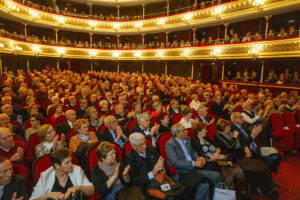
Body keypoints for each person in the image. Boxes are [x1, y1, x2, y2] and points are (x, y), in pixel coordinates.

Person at [214, 119, 278, 200]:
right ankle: (251, 194)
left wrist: (248, 142)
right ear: (223, 127)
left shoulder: (229, 133)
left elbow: (242, 142)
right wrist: (235, 137)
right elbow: (230, 146)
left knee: (260, 165)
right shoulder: (218, 136)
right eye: (228, 127)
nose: (230, 128)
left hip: (241, 155)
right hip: (233, 158)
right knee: (253, 168)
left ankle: (267, 189)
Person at [191, 122, 252, 200]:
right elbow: (200, 157)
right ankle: (230, 197)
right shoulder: (195, 142)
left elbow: (217, 147)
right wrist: (214, 157)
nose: (206, 131)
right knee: (232, 173)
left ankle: (243, 195)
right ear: (199, 131)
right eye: (204, 130)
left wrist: (217, 152)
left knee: (238, 170)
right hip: (210, 164)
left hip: (218, 159)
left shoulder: (205, 138)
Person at [165, 123, 221, 200]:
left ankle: (219, 197)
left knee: (216, 175)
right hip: (182, 172)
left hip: (194, 168)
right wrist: (194, 163)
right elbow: (175, 162)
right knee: (204, 186)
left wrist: (198, 158)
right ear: (178, 134)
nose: (187, 131)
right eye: (184, 130)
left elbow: (193, 152)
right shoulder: (170, 144)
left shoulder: (187, 139)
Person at [30, 148, 94, 200]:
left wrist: (78, 187)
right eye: (67, 162)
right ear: (57, 165)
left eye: (71, 161)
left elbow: (92, 190)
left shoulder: (77, 170)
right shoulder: (46, 176)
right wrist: (48, 195)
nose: (71, 164)